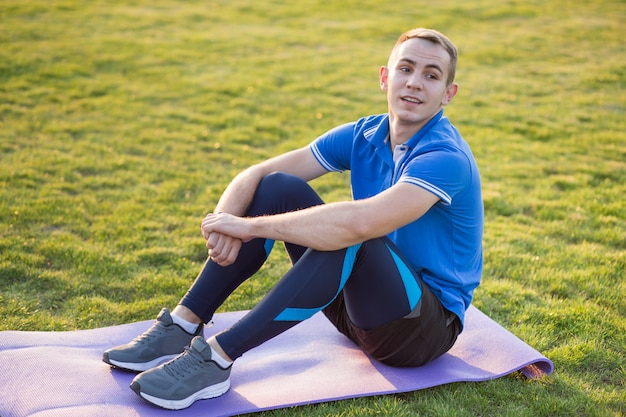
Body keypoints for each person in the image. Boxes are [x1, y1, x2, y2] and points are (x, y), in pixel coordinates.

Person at [103, 27, 483, 410]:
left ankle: (215, 359)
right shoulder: (365, 133)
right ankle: (185, 322)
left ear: (448, 94)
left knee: (351, 234)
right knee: (278, 187)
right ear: (385, 77)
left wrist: (250, 228)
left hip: (420, 329)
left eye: (431, 75)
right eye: (406, 69)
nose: (415, 83)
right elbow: (256, 174)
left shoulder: (445, 157)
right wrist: (224, 220)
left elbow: (360, 224)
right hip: (357, 311)